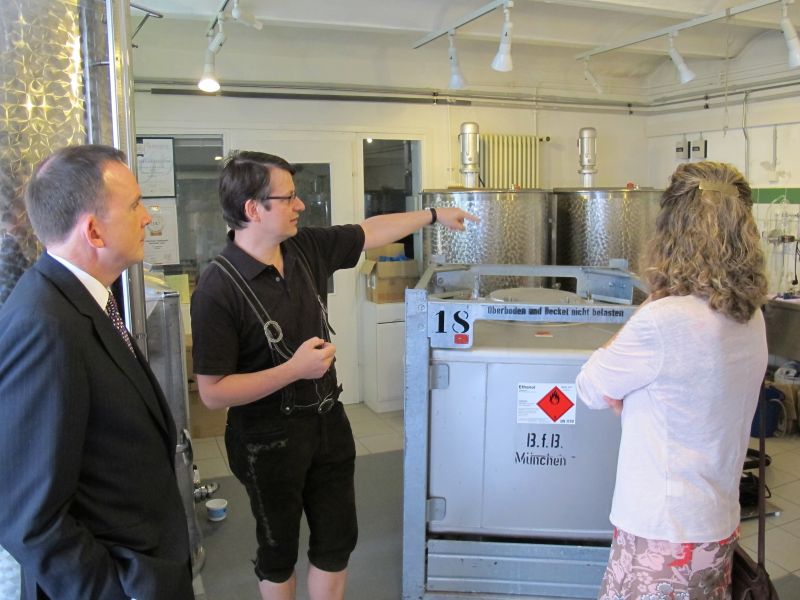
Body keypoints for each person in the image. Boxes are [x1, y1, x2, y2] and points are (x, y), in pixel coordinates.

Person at [191, 150, 477, 600]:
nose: (300, 205)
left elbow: (369, 231)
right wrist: (293, 370)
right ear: (252, 209)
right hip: (266, 440)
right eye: (288, 198)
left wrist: (434, 215)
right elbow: (212, 392)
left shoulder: (304, 248)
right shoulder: (217, 286)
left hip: (328, 424)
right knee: (278, 551)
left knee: (336, 543)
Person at [0, 145, 194, 599]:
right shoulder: (44, 325)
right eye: (134, 205)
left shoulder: (85, 298)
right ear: (93, 231)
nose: (147, 218)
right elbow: (30, 518)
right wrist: (118, 590)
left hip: (148, 559)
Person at [575, 161, 768, 600]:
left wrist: (649, 310)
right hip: (716, 522)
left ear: (672, 232)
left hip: (663, 531)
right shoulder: (750, 316)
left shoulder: (663, 320)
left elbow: (589, 388)